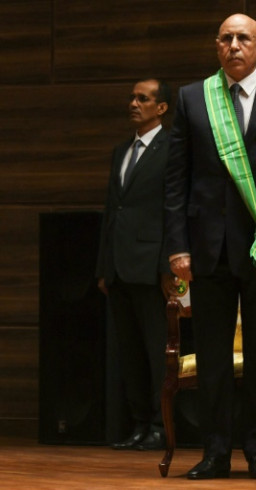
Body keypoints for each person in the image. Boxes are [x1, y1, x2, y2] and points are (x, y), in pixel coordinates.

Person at [164, 13, 256, 480]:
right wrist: (177, 248)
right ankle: (215, 452)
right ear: (216, 46)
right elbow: (175, 183)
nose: (234, 46)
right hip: (206, 249)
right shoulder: (192, 98)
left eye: (243, 38)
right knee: (212, 358)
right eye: (226, 39)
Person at [96, 78, 172, 451]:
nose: (133, 103)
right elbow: (113, 211)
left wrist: (166, 266)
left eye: (143, 99)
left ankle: (161, 425)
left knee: (157, 351)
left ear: (161, 108)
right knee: (130, 352)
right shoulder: (121, 150)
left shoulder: (172, 149)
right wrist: (102, 267)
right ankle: (140, 423)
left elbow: (173, 212)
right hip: (119, 266)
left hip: (151, 265)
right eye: (132, 97)